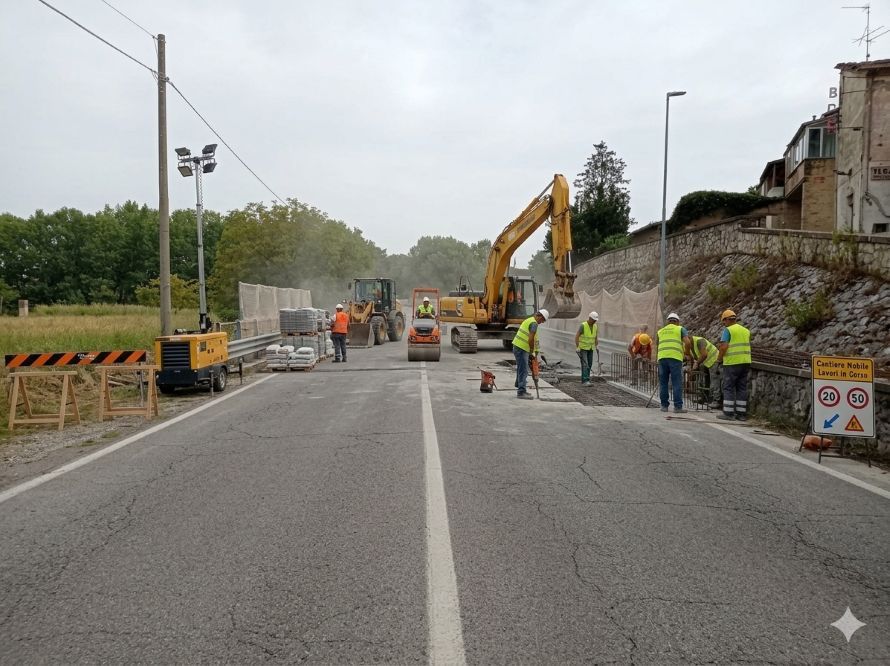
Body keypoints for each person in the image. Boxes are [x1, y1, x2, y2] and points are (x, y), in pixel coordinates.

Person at [716, 309, 751, 421]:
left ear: (727, 320)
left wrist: (719, 359)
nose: (724, 324)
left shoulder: (728, 330)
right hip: (745, 362)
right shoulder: (746, 330)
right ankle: (741, 414)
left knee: (728, 387)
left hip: (732, 362)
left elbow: (724, 347)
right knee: (741, 388)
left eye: (724, 321)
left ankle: (728, 413)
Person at [656, 312, 690, 413]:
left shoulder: (661, 331)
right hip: (675, 358)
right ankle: (678, 407)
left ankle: (664, 406)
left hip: (662, 358)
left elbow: (658, 345)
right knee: (677, 383)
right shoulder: (680, 329)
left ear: (668, 322)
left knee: (663, 383)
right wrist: (687, 353)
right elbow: (687, 342)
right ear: (677, 322)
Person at [512, 308, 549, 400]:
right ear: (539, 316)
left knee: (521, 368)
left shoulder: (529, 320)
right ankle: (521, 391)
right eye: (542, 320)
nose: (541, 322)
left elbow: (535, 339)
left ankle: (519, 383)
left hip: (519, 347)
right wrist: (532, 350)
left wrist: (536, 352)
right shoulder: (534, 324)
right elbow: (531, 339)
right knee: (523, 370)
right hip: (521, 348)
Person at [687, 334, 718, 404]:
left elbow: (704, 354)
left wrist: (697, 363)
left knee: (714, 381)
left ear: (690, 338)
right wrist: (692, 369)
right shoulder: (688, 344)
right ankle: (704, 398)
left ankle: (715, 400)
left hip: (714, 360)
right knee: (703, 380)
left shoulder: (699, 341)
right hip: (705, 362)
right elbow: (692, 357)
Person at [574, 311, 599, 386]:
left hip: (591, 348)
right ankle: (584, 381)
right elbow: (577, 336)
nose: (594, 321)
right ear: (590, 318)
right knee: (585, 364)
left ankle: (587, 379)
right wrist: (577, 347)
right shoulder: (583, 325)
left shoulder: (595, 326)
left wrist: (596, 345)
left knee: (590, 364)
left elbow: (595, 337)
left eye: (595, 320)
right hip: (583, 348)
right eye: (593, 320)